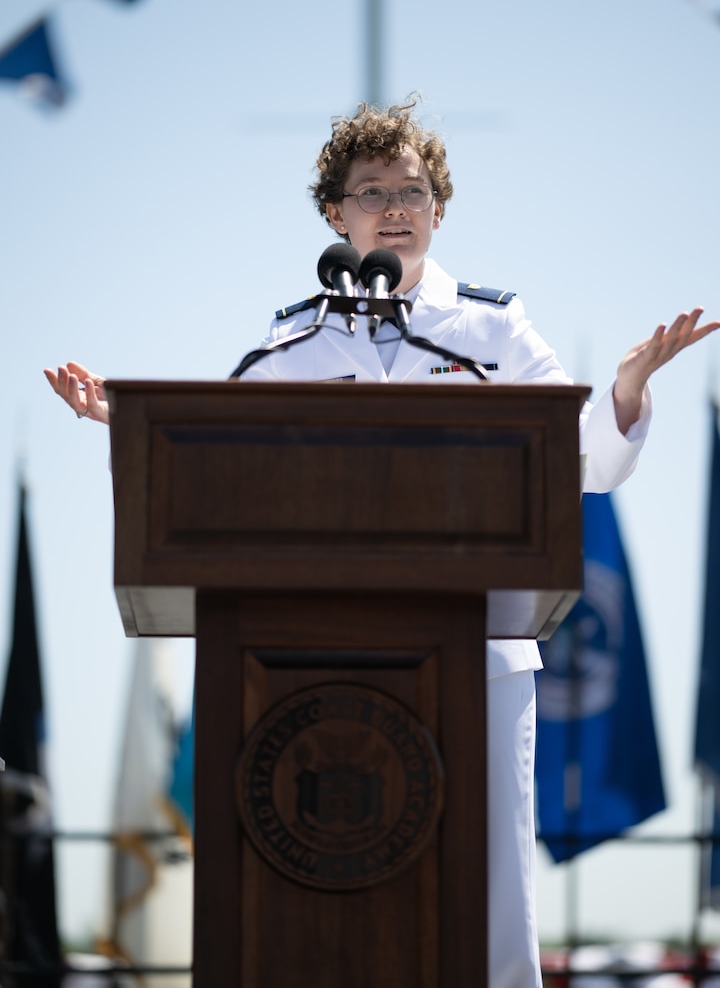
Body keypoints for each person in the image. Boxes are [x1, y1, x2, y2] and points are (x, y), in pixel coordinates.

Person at [45, 98, 719, 988]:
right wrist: (122, 427)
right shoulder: (290, 344)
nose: (395, 207)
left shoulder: (493, 330)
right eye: (372, 193)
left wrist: (627, 393)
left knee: (492, 915)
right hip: (315, 671)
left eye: (413, 189)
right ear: (336, 215)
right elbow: (215, 470)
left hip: (481, 661)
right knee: (329, 902)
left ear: (440, 207)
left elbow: (585, 462)